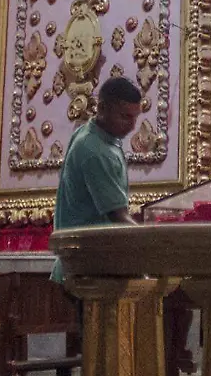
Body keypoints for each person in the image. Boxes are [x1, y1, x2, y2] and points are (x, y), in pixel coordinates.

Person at [51, 76, 143, 283]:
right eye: (125, 117)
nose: (131, 126)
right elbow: (117, 216)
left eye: (134, 118)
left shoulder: (93, 134)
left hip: (87, 265)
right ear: (102, 108)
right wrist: (151, 243)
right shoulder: (94, 150)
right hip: (86, 270)